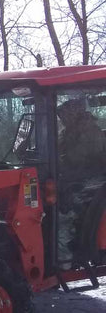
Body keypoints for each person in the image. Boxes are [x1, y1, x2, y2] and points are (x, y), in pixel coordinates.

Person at [56, 98, 106, 268]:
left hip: (93, 179)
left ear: (74, 114)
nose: (62, 118)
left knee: (63, 211)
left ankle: (65, 259)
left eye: (64, 114)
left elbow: (78, 159)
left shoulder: (90, 132)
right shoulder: (68, 132)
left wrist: (59, 158)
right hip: (77, 177)